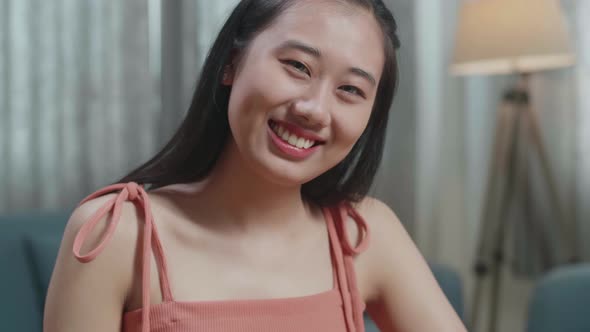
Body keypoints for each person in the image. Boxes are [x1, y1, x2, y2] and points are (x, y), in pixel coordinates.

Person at [44, 0, 467, 331]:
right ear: (232, 62)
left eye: (350, 90)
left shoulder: (364, 234)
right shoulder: (114, 234)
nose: (314, 109)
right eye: (297, 66)